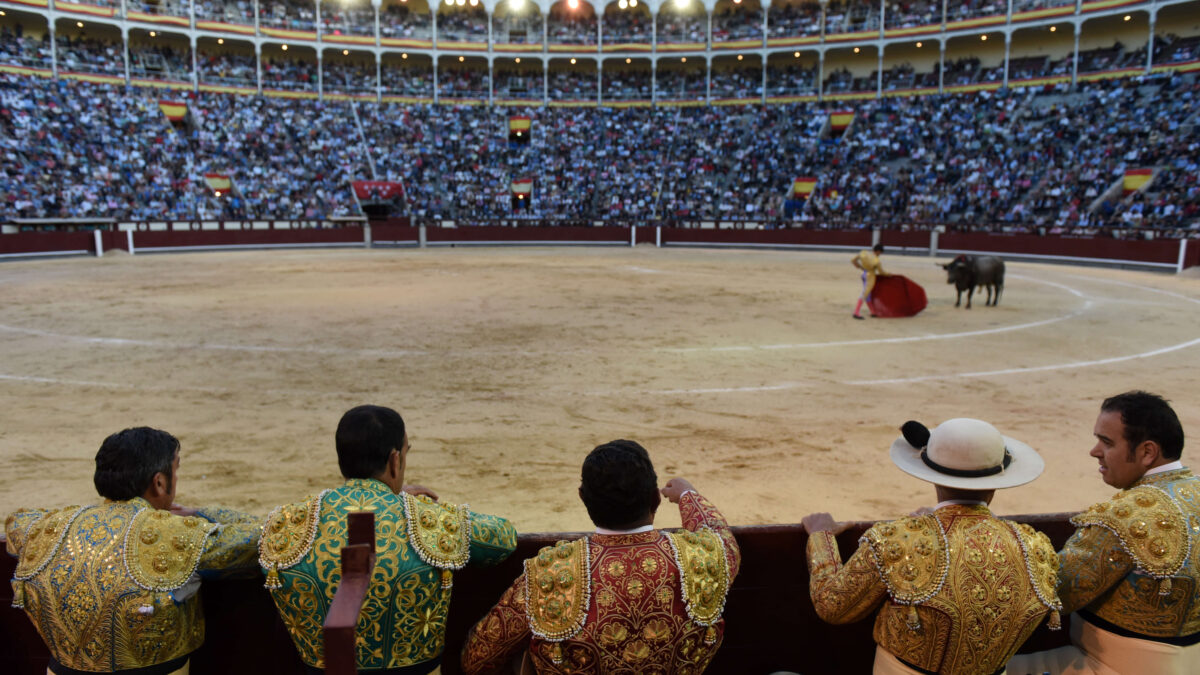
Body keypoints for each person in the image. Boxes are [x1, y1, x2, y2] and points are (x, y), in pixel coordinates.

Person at [260, 404, 517, 674]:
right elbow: (503, 538)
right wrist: (415, 504)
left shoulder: (290, 523)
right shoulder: (426, 520)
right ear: (395, 460)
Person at [803, 417, 1061, 675]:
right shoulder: (1036, 547)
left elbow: (833, 605)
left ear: (933, 477)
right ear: (995, 483)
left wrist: (820, 536)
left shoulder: (899, 539)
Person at [459, 439, 741, 674]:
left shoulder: (552, 573)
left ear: (583, 498)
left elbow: (478, 658)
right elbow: (720, 536)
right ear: (655, 499)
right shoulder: (702, 558)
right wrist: (689, 496)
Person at [4, 427, 261, 675]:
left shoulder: (47, 529)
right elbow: (260, 535)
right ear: (159, 482)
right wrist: (201, 513)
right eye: (176, 470)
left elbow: (15, 523)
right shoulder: (179, 535)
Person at [1008, 391, 1199, 675]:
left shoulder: (1127, 515)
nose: (1094, 451)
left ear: (1147, 452)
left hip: (1113, 665)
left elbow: (1053, 594)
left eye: (1106, 442)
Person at [851, 243, 887, 319]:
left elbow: (853, 260)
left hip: (864, 274)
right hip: (870, 277)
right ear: (877, 251)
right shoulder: (877, 261)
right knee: (865, 293)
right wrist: (889, 274)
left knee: (868, 294)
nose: (880, 254)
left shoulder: (864, 253)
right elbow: (881, 272)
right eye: (880, 253)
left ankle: (872, 311)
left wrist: (860, 267)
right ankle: (856, 312)